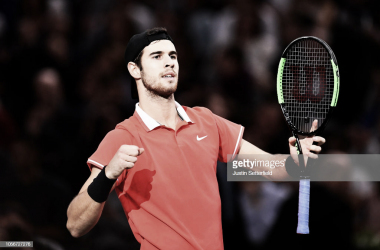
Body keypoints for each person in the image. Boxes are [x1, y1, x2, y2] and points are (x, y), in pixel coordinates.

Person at [66, 27, 325, 250]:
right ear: (135, 69)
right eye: (157, 56)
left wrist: (295, 161)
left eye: (173, 56)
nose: (169, 62)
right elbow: (75, 225)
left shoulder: (207, 121)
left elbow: (272, 169)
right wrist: (108, 174)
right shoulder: (123, 136)